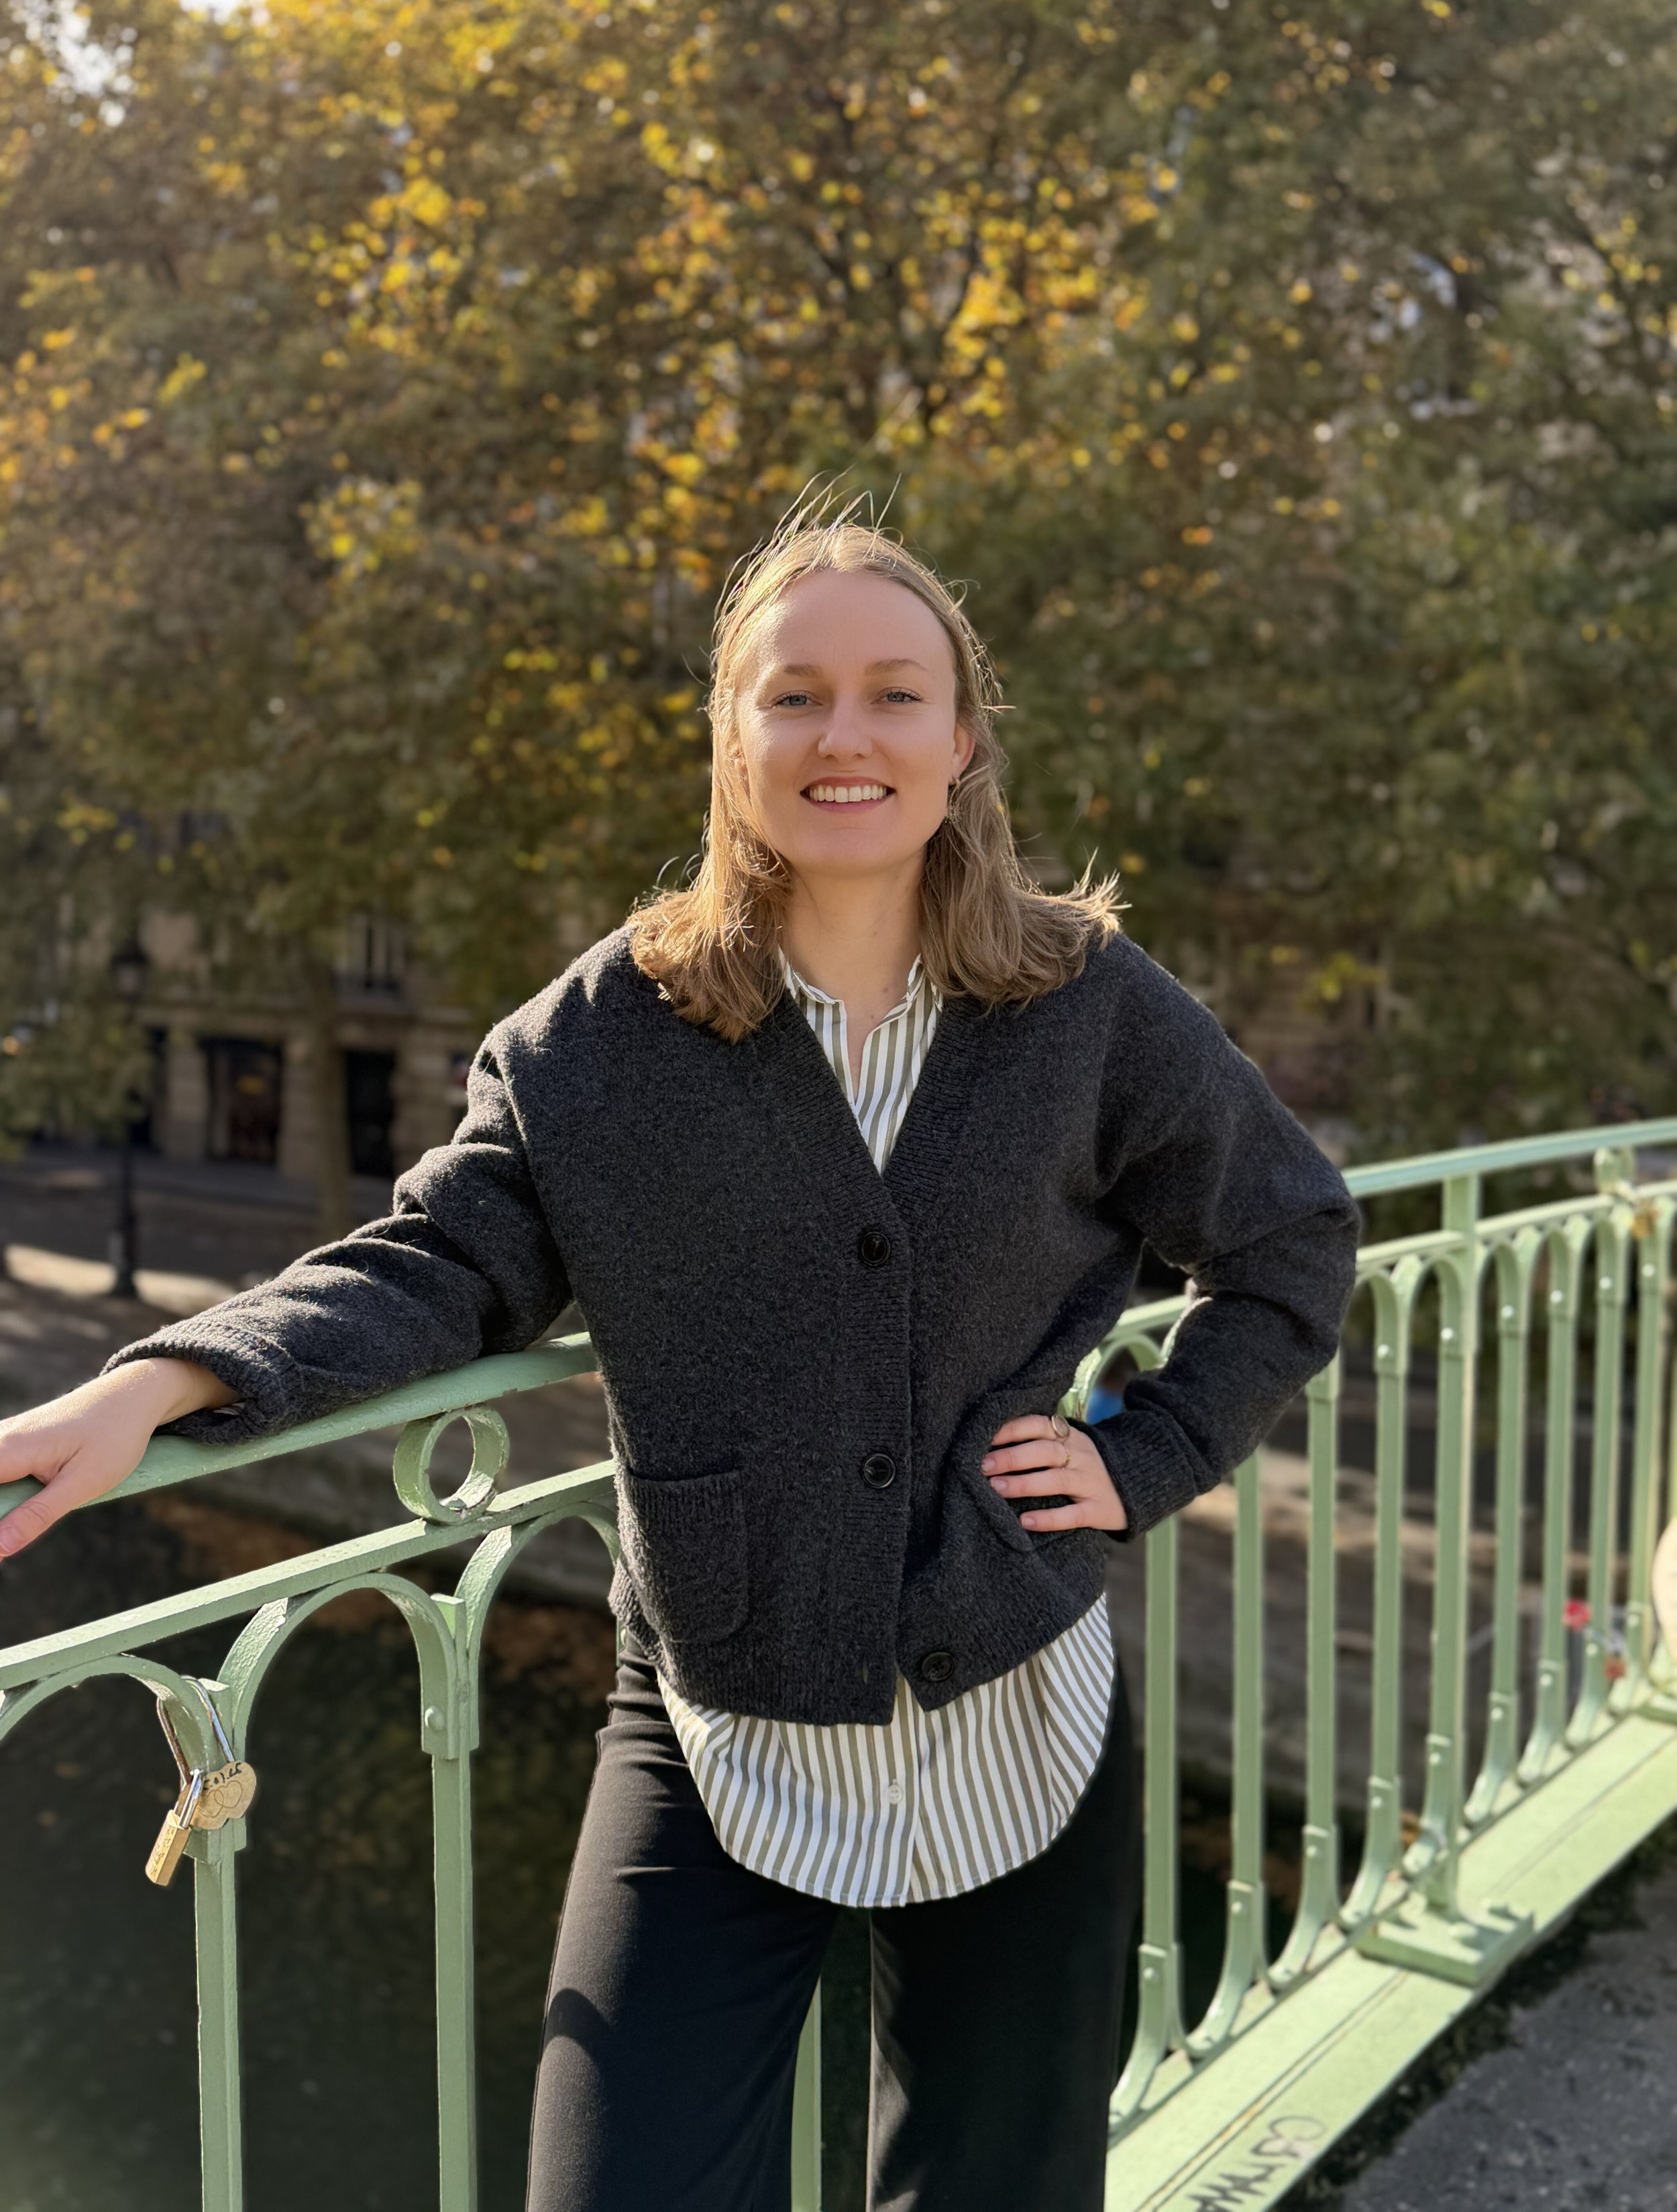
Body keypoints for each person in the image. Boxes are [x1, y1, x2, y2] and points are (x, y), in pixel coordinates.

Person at [0, 507, 1360, 2212]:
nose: (841, 735)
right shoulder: (600, 1039)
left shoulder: (1085, 1007)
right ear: (731, 739)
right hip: (717, 1709)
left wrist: (1143, 1454)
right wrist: (160, 1382)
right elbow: (436, 1265)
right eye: (793, 696)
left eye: (891, 693)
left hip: (1017, 1694)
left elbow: (1290, 1240)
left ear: (959, 738)